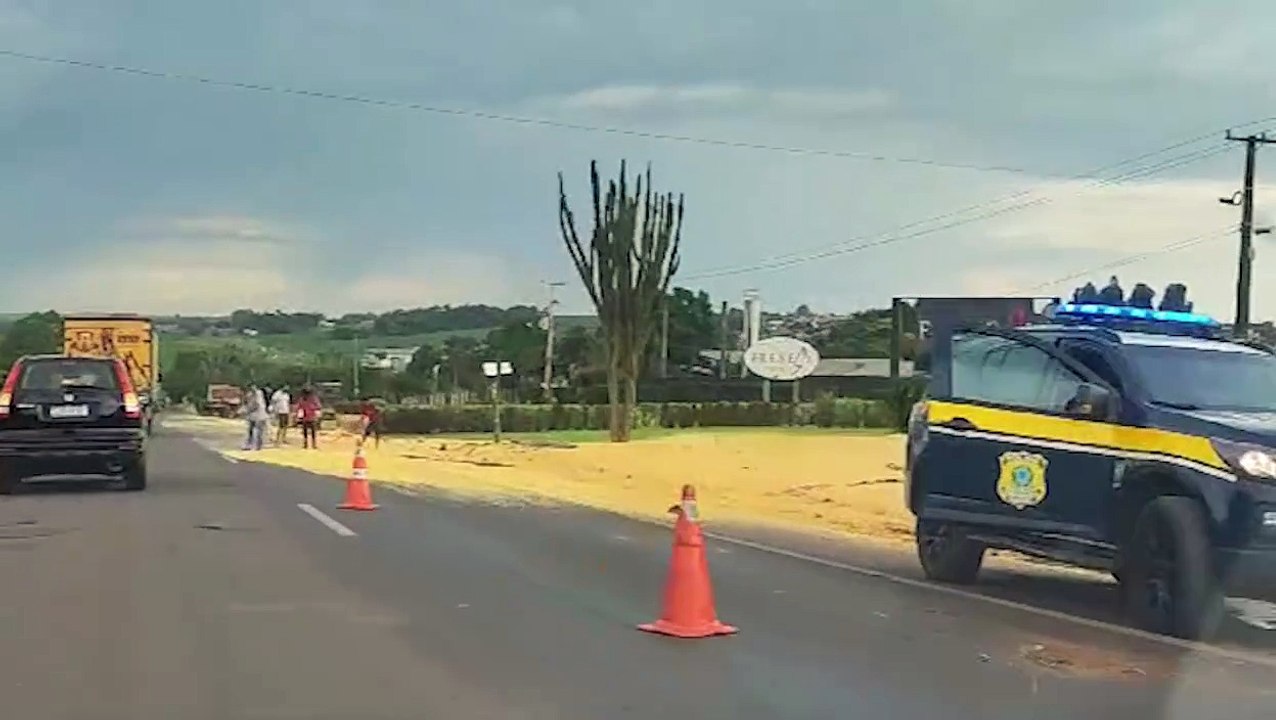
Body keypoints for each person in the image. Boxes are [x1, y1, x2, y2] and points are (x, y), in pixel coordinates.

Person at [242, 383, 269, 451]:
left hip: (260, 414)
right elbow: (246, 402)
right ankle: (250, 444)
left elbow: (257, 404)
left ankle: (258, 445)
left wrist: (249, 409)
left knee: (259, 430)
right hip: (253, 415)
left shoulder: (258, 394)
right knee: (251, 430)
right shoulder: (250, 394)